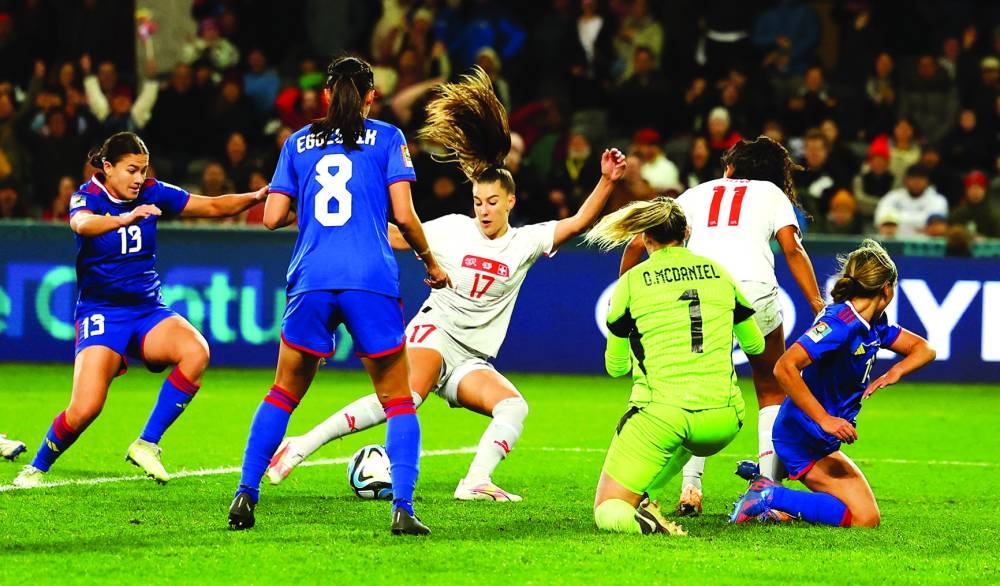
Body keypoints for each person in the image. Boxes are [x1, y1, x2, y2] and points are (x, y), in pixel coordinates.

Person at [266, 67, 627, 502]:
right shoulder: (454, 228)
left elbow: (578, 222)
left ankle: (474, 482)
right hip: (434, 333)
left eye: (492, 202)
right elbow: (399, 234)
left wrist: (606, 181)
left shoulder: (526, 241)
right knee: (406, 399)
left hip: (472, 355)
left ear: (510, 201)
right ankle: (300, 446)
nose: (484, 210)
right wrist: (353, 217)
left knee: (513, 406)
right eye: (478, 201)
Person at [227, 57, 450, 536]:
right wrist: (431, 262)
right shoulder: (389, 138)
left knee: (283, 393)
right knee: (398, 401)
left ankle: (245, 494)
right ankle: (403, 508)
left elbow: (270, 217)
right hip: (369, 278)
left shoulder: (297, 142)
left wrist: (304, 200)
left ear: (326, 95)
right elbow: (406, 217)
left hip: (311, 277)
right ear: (372, 96)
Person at [12, 132, 267, 489]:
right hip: (102, 312)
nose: (138, 178)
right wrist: (123, 219)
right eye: (131, 170)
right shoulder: (86, 197)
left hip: (147, 309)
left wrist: (254, 198)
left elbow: (209, 206)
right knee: (85, 409)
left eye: (143, 170)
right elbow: (81, 224)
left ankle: (146, 443)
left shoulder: (152, 191)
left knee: (196, 352)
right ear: (107, 167)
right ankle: (36, 468)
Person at [623, 136, 824, 517]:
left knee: (694, 389)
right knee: (769, 387)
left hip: (699, 291)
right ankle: (769, 494)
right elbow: (792, 248)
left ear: (730, 168)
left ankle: (690, 489)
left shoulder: (694, 193)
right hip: (753, 289)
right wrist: (817, 304)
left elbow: (636, 245)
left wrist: (629, 292)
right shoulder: (771, 194)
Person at [584, 197, 766, 535]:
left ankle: (645, 521)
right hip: (725, 419)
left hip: (664, 417)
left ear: (644, 238)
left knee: (608, 511)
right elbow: (756, 345)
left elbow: (616, 367)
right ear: (687, 232)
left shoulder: (631, 282)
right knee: (681, 435)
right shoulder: (720, 273)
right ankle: (646, 494)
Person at [731, 239, 935, 527]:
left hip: (820, 439)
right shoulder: (839, 324)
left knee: (865, 516)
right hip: (802, 436)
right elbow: (784, 367)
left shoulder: (873, 324)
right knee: (864, 519)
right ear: (887, 288)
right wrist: (825, 419)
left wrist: (894, 373)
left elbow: (925, 349)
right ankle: (767, 495)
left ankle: (776, 498)